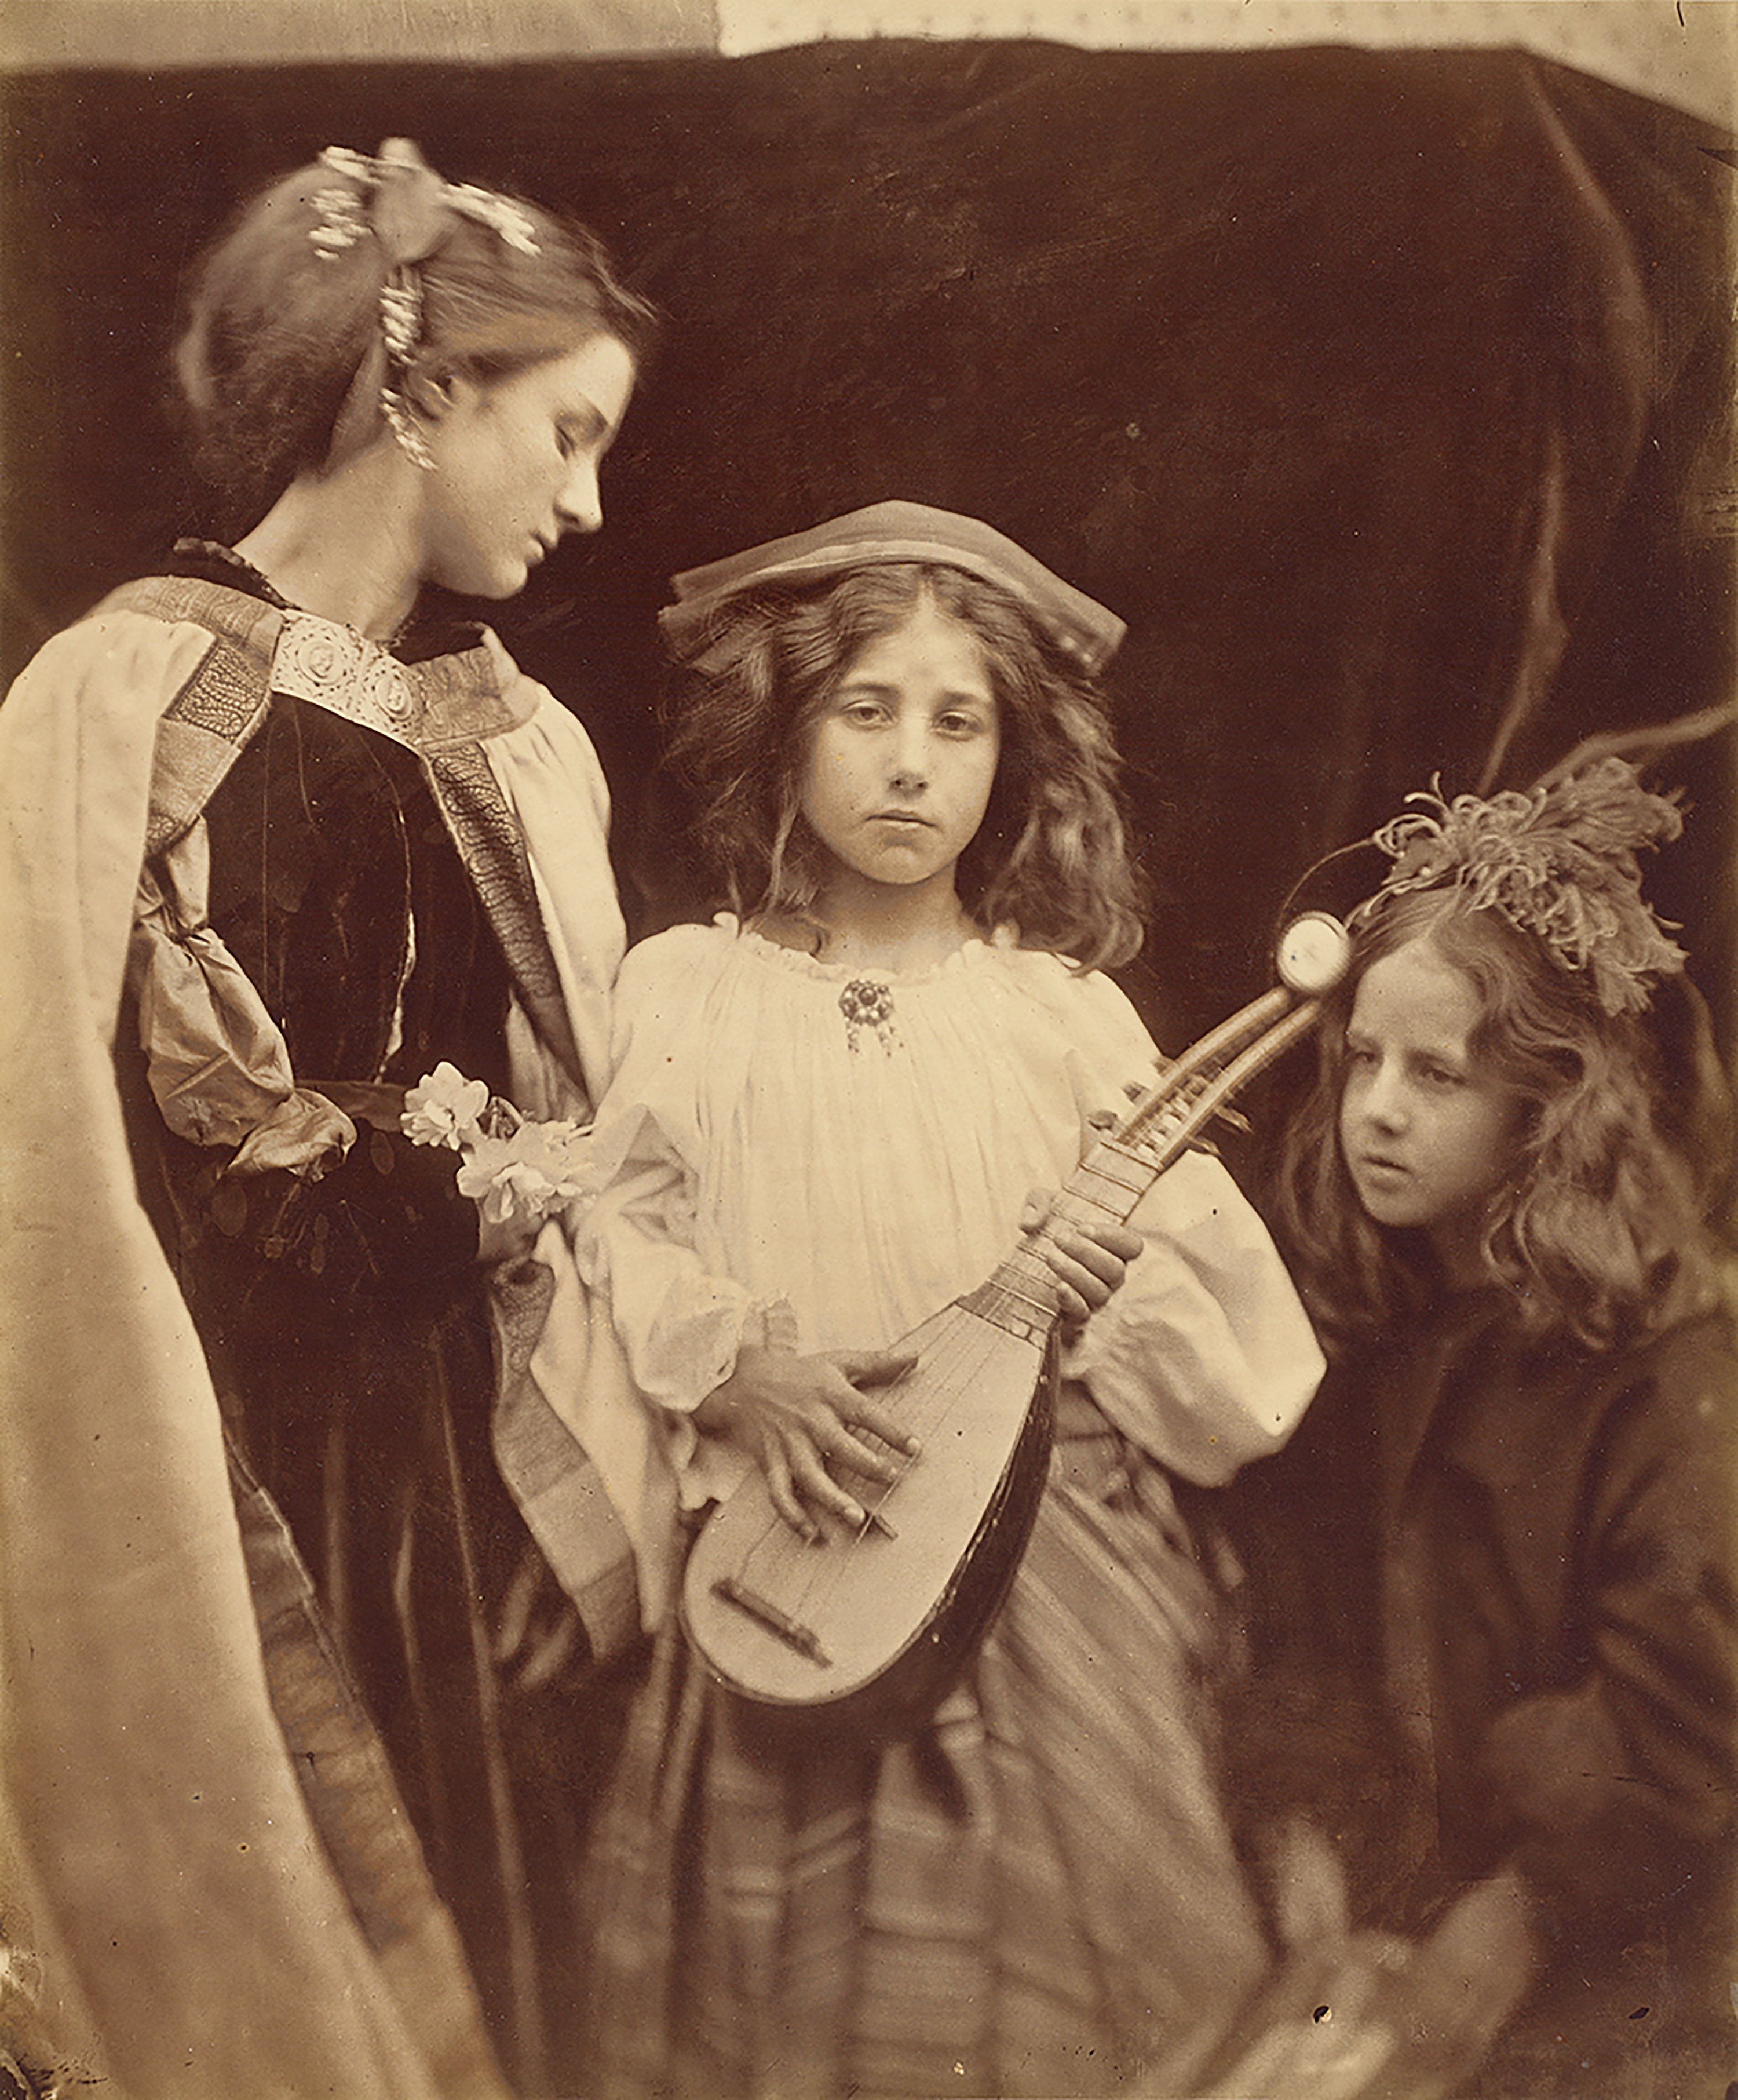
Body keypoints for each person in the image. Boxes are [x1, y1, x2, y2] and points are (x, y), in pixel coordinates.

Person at [0, 140, 652, 2098]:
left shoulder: (520, 742)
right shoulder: (112, 704)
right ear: (424, 389)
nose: (591, 499)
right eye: (569, 432)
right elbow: (79, 1178)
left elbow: (587, 1139)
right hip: (222, 1491)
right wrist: (424, 1178)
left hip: (477, 1499)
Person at [558, 502, 1327, 2098]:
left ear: (1012, 760)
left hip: (1047, 1587)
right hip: (794, 1567)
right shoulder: (686, 990)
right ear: (785, 724)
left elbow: (1234, 1371)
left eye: (958, 722)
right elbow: (619, 1232)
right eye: (868, 709)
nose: (912, 762)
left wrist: (1114, 1309)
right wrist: (733, 1370)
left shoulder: (1060, 1019)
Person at [1236, 758, 1738, 2096]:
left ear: (1542, 1108)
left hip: (1619, 1951)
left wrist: (1523, 1916)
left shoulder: (1658, 1361)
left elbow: (1686, 1710)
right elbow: (1309, 1632)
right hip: (1408, 1911)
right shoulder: (1377, 1325)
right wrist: (1309, 1835)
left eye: (1438, 1076)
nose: (1379, 1109)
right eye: (1363, 1063)